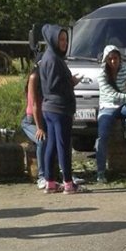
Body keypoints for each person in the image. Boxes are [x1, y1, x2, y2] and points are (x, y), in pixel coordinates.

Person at [39, 25, 83, 194]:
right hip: (59, 108)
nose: (64, 43)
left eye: (65, 39)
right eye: (61, 39)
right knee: (63, 146)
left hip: (49, 107)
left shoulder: (47, 57)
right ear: (52, 40)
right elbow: (55, 84)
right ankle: (68, 183)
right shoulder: (54, 60)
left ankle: (50, 182)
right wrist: (71, 82)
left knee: (51, 145)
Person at [95, 45, 126, 183]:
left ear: (119, 59)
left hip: (124, 107)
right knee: (102, 136)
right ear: (106, 60)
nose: (113, 61)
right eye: (110, 59)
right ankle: (101, 172)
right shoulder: (102, 75)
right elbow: (111, 96)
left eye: (115, 58)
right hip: (107, 107)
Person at [20, 57, 48, 189]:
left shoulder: (49, 78)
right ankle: (41, 177)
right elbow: (35, 106)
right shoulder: (34, 78)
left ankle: (65, 174)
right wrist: (39, 128)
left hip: (45, 118)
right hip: (31, 120)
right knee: (42, 140)